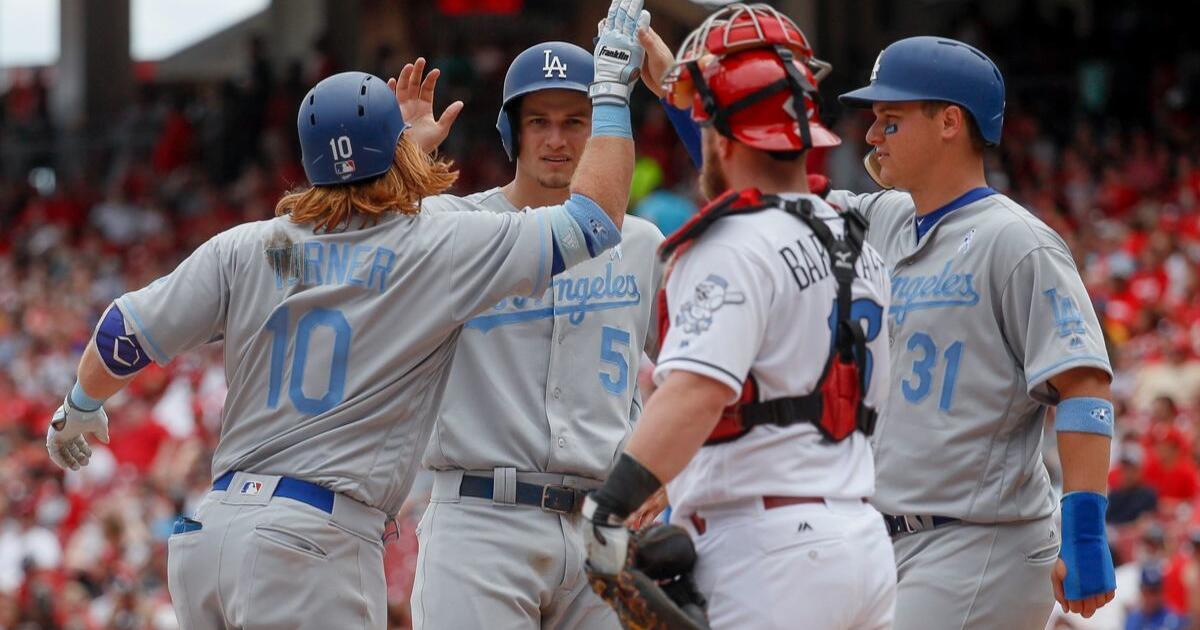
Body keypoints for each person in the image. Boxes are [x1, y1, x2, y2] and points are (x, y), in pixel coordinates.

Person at [41, 0, 651, 625]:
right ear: (397, 154)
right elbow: (593, 221)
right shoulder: (429, 247)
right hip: (312, 540)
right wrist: (607, 89)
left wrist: (79, 408)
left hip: (211, 535)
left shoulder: (249, 244)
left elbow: (122, 331)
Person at [581, 5, 896, 628]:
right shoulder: (855, 240)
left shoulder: (729, 244)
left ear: (721, 138)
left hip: (769, 552)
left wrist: (609, 510)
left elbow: (696, 393)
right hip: (862, 539)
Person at [822, 35, 1117, 627]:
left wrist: (1085, 534)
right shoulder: (883, 218)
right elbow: (763, 202)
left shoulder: (1017, 241)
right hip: (886, 537)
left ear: (950, 122)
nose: (872, 135)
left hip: (981, 540)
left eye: (891, 119)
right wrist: (688, 96)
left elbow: (1083, 383)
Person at [409, 39, 664, 630]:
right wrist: (404, 156)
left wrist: (668, 468)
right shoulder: (454, 230)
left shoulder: (644, 244)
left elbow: (700, 370)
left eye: (577, 121)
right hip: (480, 521)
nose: (557, 139)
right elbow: (360, 238)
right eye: (539, 122)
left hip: (605, 522)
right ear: (512, 134)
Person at [1125, 564, 1187, 630]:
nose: (1151, 598)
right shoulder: (1133, 619)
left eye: (1155, 591)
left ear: (1162, 591)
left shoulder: (1174, 618)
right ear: (1142, 591)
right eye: (1146, 591)